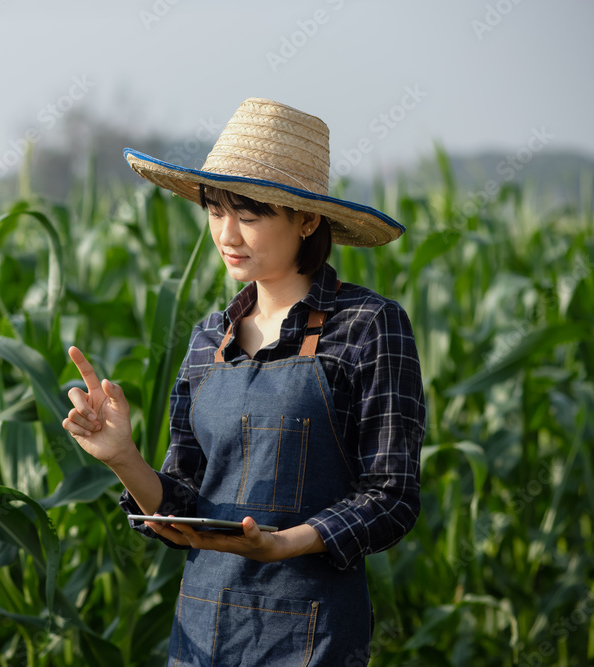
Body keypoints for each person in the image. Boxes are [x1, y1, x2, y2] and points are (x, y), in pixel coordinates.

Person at [62, 98, 426, 666]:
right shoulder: (209, 338)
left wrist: (284, 544)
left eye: (250, 214)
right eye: (214, 209)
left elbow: (392, 497)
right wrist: (122, 458)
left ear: (307, 220)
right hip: (201, 629)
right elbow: (181, 502)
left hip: (314, 633)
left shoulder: (370, 326)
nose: (226, 233)